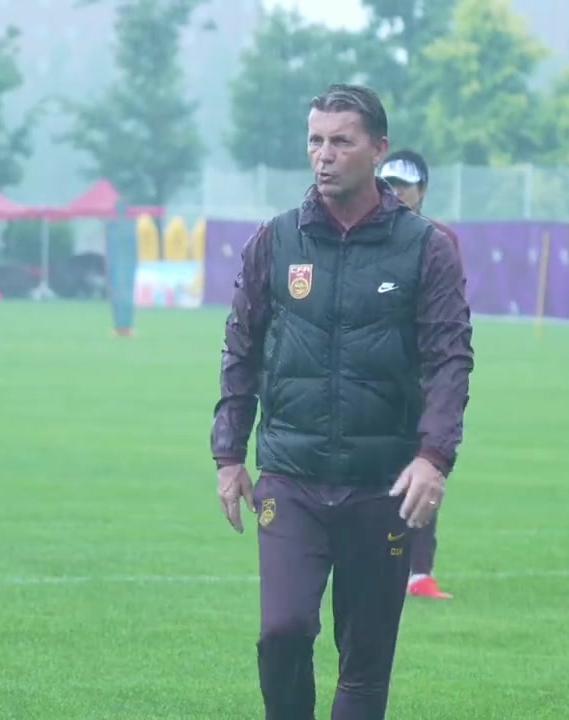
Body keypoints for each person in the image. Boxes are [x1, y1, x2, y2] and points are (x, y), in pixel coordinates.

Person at [211, 83, 474, 720]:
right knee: (283, 632)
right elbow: (241, 347)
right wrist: (228, 453)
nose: (323, 155)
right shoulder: (277, 240)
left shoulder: (426, 247)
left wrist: (434, 457)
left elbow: (450, 358)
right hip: (290, 477)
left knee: (365, 662)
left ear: (377, 149)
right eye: (315, 141)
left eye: (340, 142)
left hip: (382, 484)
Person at [378, 149, 459, 601]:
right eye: (387, 183)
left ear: (422, 190)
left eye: (403, 185)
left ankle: (419, 572)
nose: (394, 193)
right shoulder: (368, 235)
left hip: (422, 378)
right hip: (373, 372)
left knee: (425, 466)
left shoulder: (439, 240)